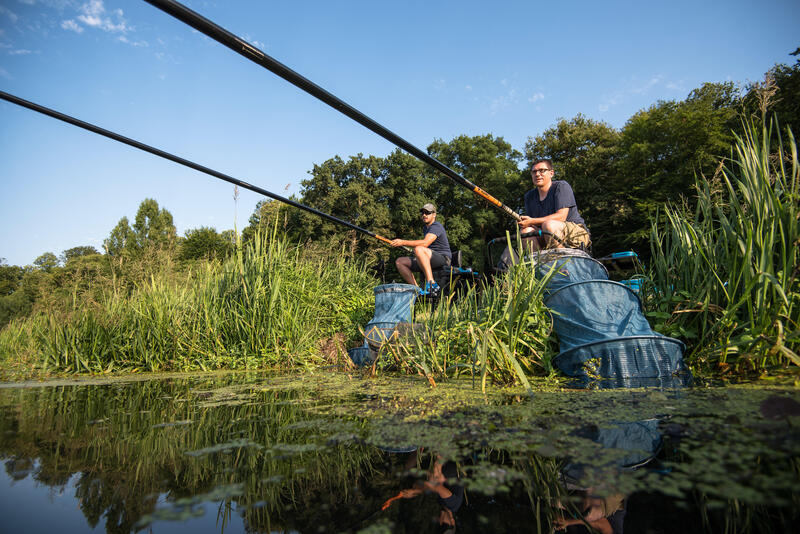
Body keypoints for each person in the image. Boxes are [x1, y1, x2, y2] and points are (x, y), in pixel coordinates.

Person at [497, 159, 590, 271]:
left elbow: (561, 217)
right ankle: (541, 271)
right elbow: (534, 227)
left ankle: (564, 269)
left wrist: (531, 221)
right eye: (534, 172)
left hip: (576, 234)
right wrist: (526, 224)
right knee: (526, 232)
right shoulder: (529, 196)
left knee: (549, 225)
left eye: (542, 170)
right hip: (547, 235)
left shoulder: (561, 187)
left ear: (551, 173)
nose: (537, 174)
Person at [392, 203, 452, 297]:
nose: (424, 215)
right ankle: (416, 290)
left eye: (427, 213)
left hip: (443, 259)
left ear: (434, 214)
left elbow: (425, 243)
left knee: (419, 249)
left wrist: (402, 242)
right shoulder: (425, 228)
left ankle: (432, 284)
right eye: (423, 213)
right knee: (400, 262)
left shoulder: (436, 226)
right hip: (430, 257)